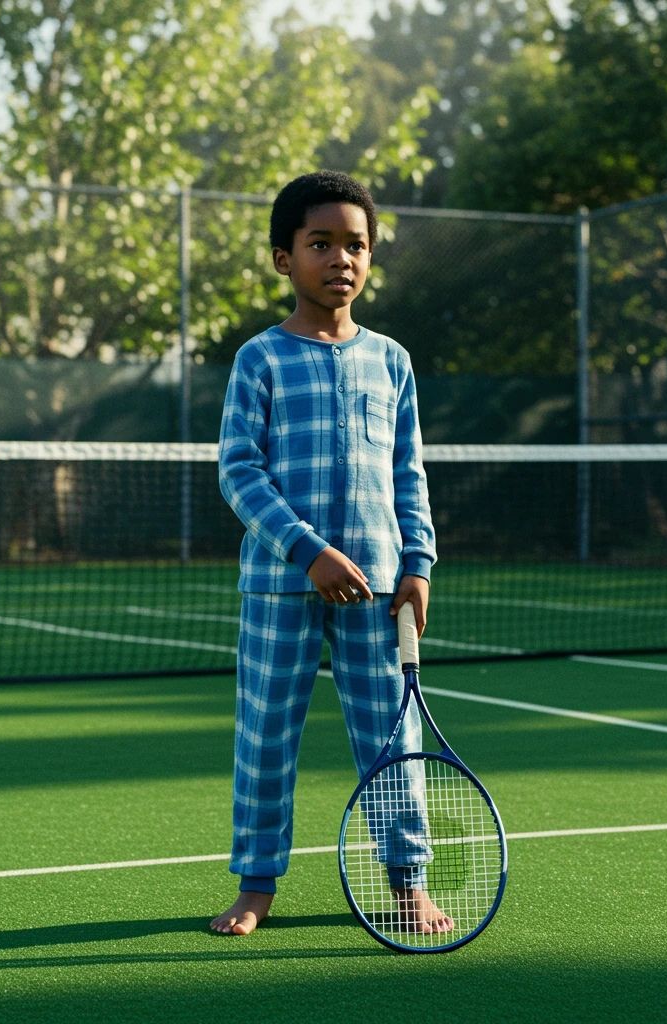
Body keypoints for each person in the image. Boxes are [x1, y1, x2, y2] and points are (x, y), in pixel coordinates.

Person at [211, 170, 450, 936]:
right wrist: (309, 552)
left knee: (394, 742)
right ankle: (256, 885)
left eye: (357, 245)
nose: (341, 259)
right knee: (265, 738)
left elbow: (407, 470)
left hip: (378, 593)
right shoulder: (260, 359)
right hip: (281, 590)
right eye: (321, 244)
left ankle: (407, 883)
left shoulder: (393, 360)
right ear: (285, 257)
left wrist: (418, 564)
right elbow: (238, 473)